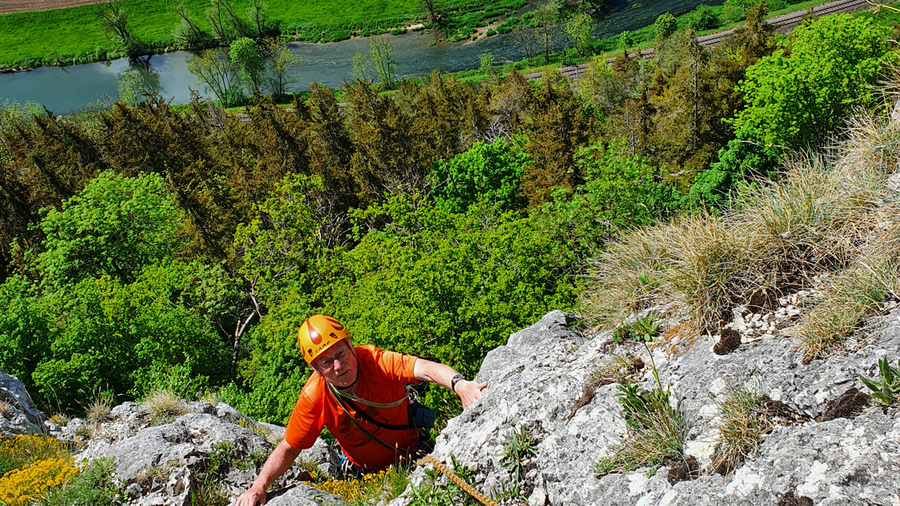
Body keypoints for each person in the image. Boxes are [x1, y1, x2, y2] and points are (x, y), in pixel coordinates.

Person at [236, 314, 487, 506]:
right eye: (325, 362)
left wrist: (460, 385)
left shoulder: (375, 361)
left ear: (350, 345)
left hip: (417, 452)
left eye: (342, 353)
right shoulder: (315, 397)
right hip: (365, 474)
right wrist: (259, 485)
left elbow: (424, 368)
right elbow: (289, 447)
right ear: (316, 369)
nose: (338, 365)